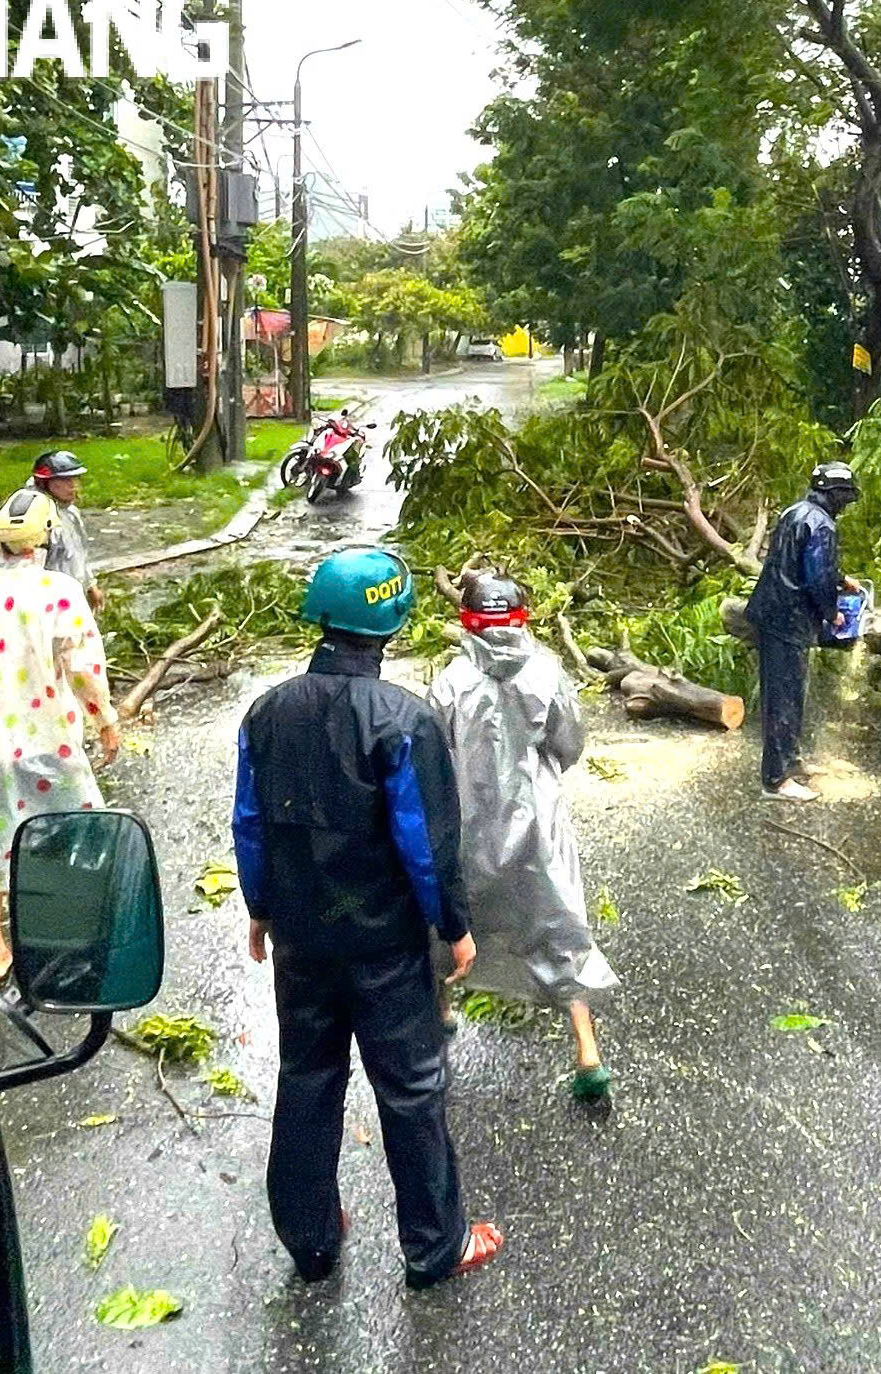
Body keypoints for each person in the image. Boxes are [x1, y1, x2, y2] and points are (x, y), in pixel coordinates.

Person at [233, 547, 502, 1289]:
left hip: (302, 941)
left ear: (322, 617)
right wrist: (454, 924)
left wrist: (260, 907)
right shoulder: (404, 719)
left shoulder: (266, 712)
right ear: (392, 621)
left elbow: (249, 821)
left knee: (308, 1077)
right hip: (383, 944)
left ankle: (310, 1240)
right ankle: (434, 1246)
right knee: (412, 1088)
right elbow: (426, 840)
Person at [428, 572, 618, 1098]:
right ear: (522, 617)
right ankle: (587, 1054)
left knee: (450, 919)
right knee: (559, 927)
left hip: (468, 827)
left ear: (466, 621)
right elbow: (570, 743)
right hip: (539, 828)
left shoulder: (449, 683)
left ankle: (440, 1010)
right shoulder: (546, 674)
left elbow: (434, 756)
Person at [0, 490, 120, 984]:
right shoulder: (57, 591)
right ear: (44, 538)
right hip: (46, 742)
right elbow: (82, 666)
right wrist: (105, 719)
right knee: (64, 832)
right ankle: (61, 930)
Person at [744, 461, 864, 802]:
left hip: (773, 614)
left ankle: (791, 761)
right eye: (846, 497)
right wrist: (833, 612)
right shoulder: (822, 524)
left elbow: (802, 561)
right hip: (789, 619)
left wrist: (842, 580)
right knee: (784, 700)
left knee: (788, 696)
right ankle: (776, 780)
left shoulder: (795, 512)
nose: (847, 505)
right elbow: (815, 577)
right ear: (836, 494)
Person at [27, 449, 103, 607]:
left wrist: (90, 585)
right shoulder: (34, 518)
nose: (73, 486)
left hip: (74, 595)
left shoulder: (70, 513)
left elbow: (78, 553)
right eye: (66, 480)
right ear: (45, 483)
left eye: (75, 479)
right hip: (49, 601)